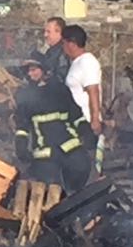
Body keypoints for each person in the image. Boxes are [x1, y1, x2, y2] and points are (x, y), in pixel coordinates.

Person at [13, 52, 93, 193]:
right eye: (28, 71)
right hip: (45, 152)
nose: (30, 74)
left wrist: (86, 131)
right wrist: (21, 146)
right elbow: (22, 126)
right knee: (51, 188)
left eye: (34, 70)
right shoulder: (24, 96)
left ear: (44, 69)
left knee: (81, 168)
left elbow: (75, 115)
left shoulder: (60, 89)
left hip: (68, 145)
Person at [62, 24, 103, 137]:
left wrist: (95, 119)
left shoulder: (87, 61)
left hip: (86, 119)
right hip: (75, 117)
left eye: (64, 43)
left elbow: (93, 90)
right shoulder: (76, 62)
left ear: (72, 44)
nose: (63, 47)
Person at [42, 17, 70, 84]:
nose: (45, 35)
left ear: (58, 32)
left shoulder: (65, 51)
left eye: (48, 32)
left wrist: (43, 77)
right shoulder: (50, 50)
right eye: (45, 31)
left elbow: (61, 77)